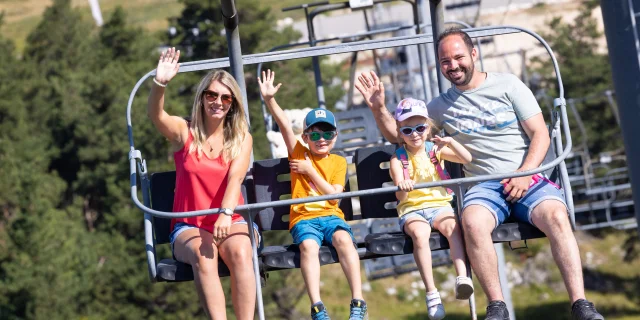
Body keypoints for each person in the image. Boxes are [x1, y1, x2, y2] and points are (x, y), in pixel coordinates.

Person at [355, 29, 604, 320]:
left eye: (458, 57)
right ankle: (496, 306)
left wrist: (524, 174)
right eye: (445, 61)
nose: (453, 66)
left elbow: (540, 134)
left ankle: (580, 304)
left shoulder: (509, 85)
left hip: (528, 176)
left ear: (474, 54)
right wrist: (378, 107)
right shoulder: (440, 106)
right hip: (484, 186)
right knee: (472, 222)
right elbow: (403, 134)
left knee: (557, 216)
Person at [147, 47, 259, 320]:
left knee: (242, 253)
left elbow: (236, 178)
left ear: (232, 104)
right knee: (204, 253)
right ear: (202, 98)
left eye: (225, 97)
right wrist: (160, 84)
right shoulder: (184, 132)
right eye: (211, 95)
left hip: (230, 218)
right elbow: (156, 116)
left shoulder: (241, 138)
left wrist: (226, 213)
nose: (217, 102)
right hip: (190, 224)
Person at [258, 69, 367, 320]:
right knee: (308, 246)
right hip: (304, 219)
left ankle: (358, 301)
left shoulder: (338, 162)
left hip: (331, 216)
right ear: (305, 137)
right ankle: (317, 306)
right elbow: (284, 125)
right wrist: (269, 100)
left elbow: (334, 198)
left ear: (335, 136)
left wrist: (309, 171)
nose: (321, 139)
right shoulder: (298, 152)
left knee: (344, 241)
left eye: (327, 134)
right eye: (315, 134)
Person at [390, 97, 475, 319]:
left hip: (439, 205)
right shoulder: (398, 159)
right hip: (412, 209)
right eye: (408, 130)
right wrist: (403, 186)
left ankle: (462, 277)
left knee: (452, 228)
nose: (415, 134)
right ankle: (432, 292)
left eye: (420, 128)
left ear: (428, 128)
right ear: (400, 133)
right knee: (420, 234)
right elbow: (400, 196)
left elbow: (466, 158)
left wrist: (451, 143)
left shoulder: (434, 151)